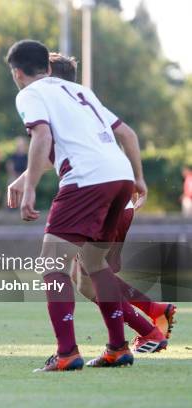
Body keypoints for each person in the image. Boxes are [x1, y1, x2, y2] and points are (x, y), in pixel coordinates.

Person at [5, 39, 148, 371]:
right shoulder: (80, 91)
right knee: (95, 264)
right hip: (120, 177)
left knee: (52, 265)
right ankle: (117, 348)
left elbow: (42, 137)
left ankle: (67, 352)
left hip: (86, 181)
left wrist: (29, 191)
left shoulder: (29, 93)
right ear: (48, 66)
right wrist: (138, 178)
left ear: (17, 73)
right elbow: (127, 133)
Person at [44, 52, 176, 353]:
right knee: (87, 275)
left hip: (99, 199)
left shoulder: (59, 107)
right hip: (115, 197)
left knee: (87, 276)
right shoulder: (81, 106)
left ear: (49, 75)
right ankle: (150, 319)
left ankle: (148, 325)